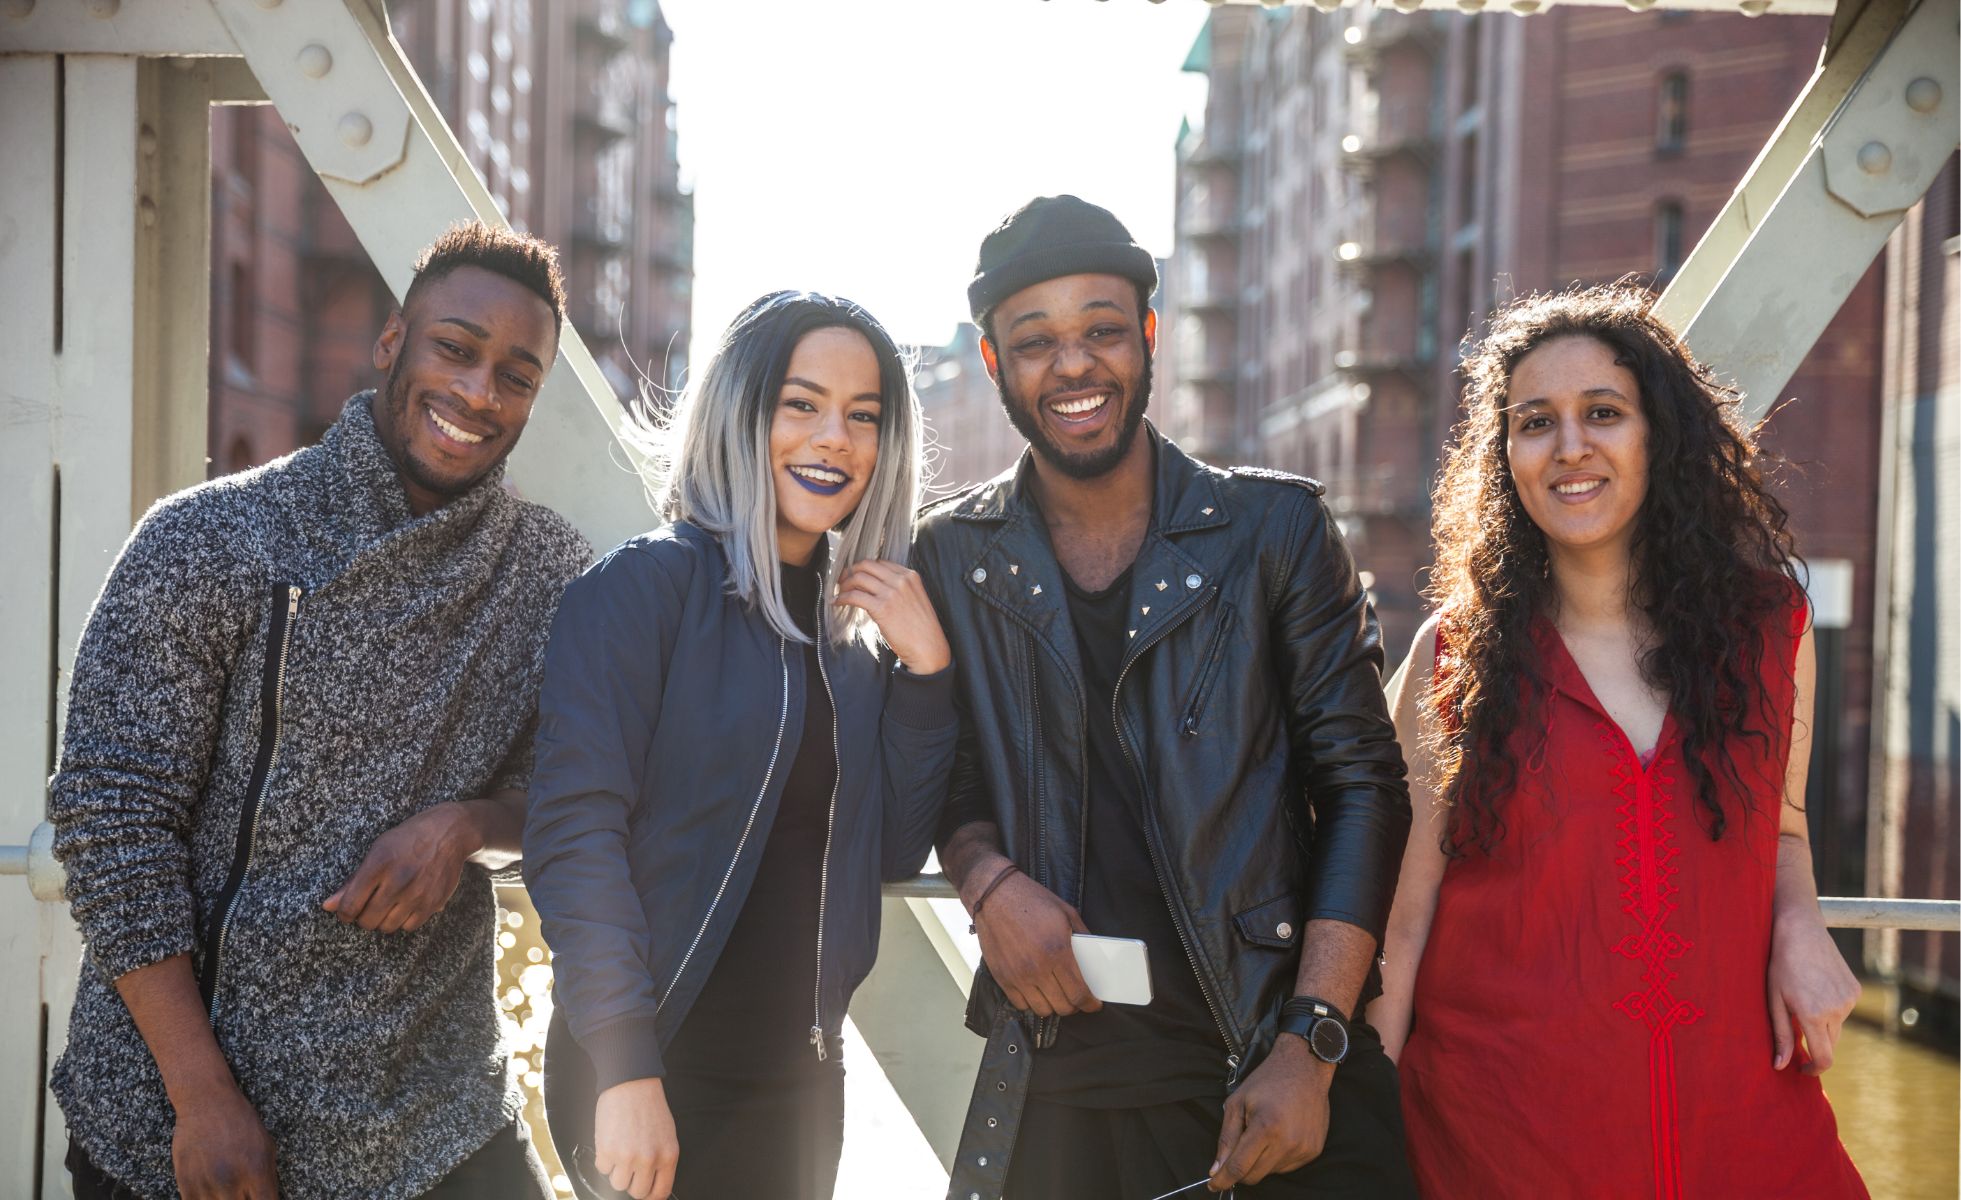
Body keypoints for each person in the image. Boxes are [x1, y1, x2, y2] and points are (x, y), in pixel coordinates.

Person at [49, 222, 591, 1199]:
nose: (477, 392)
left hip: (439, 1120)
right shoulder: (210, 536)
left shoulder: (549, 573)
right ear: (392, 344)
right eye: (455, 349)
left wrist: (467, 825)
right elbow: (109, 821)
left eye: (516, 375)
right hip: (189, 1122)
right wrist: (200, 1097)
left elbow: (575, 789)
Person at [915, 195, 1418, 1200]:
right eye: (1034, 341)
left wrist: (1310, 1043)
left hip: (1271, 1068)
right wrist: (984, 882)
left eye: (1101, 329)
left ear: (1147, 337)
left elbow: (1363, 788)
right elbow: (942, 768)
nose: (1072, 367)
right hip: (1060, 1091)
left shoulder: (1272, 532)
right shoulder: (951, 557)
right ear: (991, 365)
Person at [1372, 285, 1869, 1198]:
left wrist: (1800, 923)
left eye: (1603, 412)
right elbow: (1400, 923)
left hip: (1745, 1129)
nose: (1569, 447)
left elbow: (1782, 833)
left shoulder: (1769, 629)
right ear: (1504, 455)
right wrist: (1360, 1140)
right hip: (1498, 1142)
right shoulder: (1452, 653)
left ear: (1659, 437)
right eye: (1534, 422)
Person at [523, 290, 959, 1200]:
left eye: (862, 416)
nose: (834, 438)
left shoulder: (847, 648)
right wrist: (626, 1068)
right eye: (801, 404)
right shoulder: (644, 591)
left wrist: (925, 678)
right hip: (654, 1068)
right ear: (741, 413)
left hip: (801, 1085)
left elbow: (883, 850)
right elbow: (574, 841)